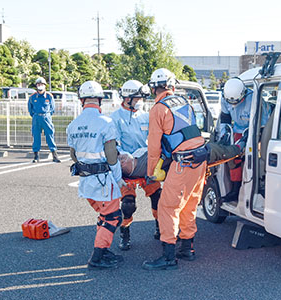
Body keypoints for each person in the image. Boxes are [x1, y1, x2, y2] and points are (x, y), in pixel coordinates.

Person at [142, 68, 207, 271]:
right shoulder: (185, 102)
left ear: (154, 88)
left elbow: (153, 146)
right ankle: (187, 248)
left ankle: (168, 256)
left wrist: (152, 173)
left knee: (167, 207)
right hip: (200, 159)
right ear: (172, 86)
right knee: (189, 203)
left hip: (183, 163)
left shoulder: (158, 109)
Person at [67, 80, 126, 269]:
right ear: (100, 100)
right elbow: (111, 156)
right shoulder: (106, 122)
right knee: (113, 217)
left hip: (86, 181)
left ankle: (104, 249)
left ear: (81, 100)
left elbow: (73, 155)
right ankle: (97, 256)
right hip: (103, 181)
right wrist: (119, 179)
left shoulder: (73, 125)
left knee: (103, 215)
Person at [110, 80, 162, 251]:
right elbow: (114, 145)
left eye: (142, 97)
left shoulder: (146, 115)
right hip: (126, 166)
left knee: (158, 196)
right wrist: (126, 158)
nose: (141, 100)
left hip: (145, 163)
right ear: (127, 98)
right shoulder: (115, 118)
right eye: (138, 97)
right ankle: (125, 232)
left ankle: (159, 226)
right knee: (128, 204)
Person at [219, 77, 268, 201]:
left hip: (254, 132)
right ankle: (235, 190)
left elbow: (262, 125)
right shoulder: (225, 99)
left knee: (250, 161)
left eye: (236, 102)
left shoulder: (254, 99)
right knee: (233, 158)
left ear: (243, 94)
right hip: (237, 131)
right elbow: (225, 119)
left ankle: (251, 189)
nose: (233, 105)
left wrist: (251, 139)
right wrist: (224, 134)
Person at [28, 77, 61, 163]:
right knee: (36, 136)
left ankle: (54, 155)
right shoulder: (32, 97)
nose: (40, 86)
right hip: (36, 118)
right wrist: (35, 115)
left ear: (45, 86)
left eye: (41, 84)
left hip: (46, 117)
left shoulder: (49, 96)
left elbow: (52, 108)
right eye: (38, 84)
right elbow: (30, 109)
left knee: (50, 135)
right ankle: (36, 156)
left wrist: (47, 116)